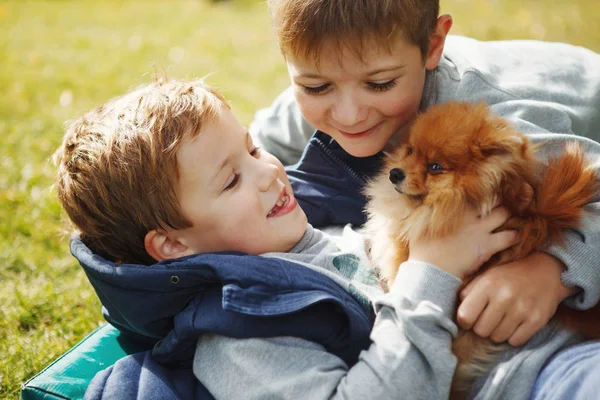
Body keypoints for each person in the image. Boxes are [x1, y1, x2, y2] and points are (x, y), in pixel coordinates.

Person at [54, 78, 517, 399]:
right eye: (231, 180)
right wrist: (430, 272)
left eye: (252, 148)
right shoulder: (240, 337)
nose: (268, 172)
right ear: (174, 246)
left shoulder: (307, 238)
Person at [246, 0, 600, 398]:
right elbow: (248, 149)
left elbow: (588, 189)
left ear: (433, 46)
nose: (348, 115)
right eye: (316, 87)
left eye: (379, 84)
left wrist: (552, 269)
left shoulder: (496, 116)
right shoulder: (323, 87)